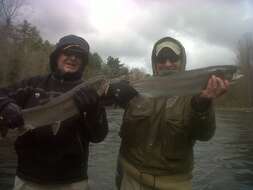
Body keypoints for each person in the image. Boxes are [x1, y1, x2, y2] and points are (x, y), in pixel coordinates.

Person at [111, 36, 229, 190]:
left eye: (173, 58)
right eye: (162, 59)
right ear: (155, 63)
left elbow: (205, 135)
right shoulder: (135, 89)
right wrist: (112, 91)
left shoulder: (197, 95)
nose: (167, 64)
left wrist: (203, 105)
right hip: (130, 179)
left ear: (182, 61)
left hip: (174, 183)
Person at [0, 35, 108, 190]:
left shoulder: (88, 94)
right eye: (68, 53)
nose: (73, 58)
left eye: (79, 56)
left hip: (72, 180)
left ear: (83, 62)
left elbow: (98, 137)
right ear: (57, 55)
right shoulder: (33, 84)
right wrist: (6, 105)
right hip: (28, 178)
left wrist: (93, 111)